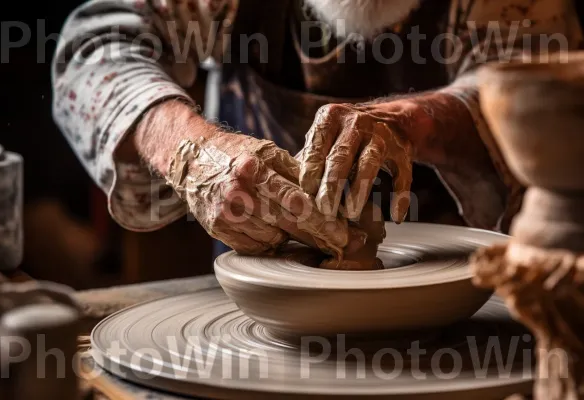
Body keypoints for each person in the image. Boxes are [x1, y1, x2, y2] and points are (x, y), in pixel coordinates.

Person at [52, 0, 582, 258]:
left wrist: (420, 121)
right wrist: (192, 151)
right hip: (265, 321)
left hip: (465, 311)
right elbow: (94, 50)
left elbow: (543, 93)